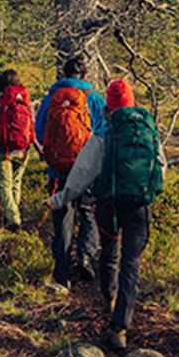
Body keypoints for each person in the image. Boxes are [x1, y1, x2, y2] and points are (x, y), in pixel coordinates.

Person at [49, 78, 165, 350]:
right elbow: (161, 165)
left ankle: (109, 299)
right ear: (132, 102)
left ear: (108, 108)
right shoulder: (149, 130)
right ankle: (120, 326)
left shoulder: (103, 136)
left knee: (110, 252)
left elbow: (80, 176)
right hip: (140, 207)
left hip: (108, 207)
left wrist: (60, 199)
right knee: (131, 262)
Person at [34, 55, 106, 288]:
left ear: (64, 75)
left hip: (58, 172)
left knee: (62, 220)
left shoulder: (51, 99)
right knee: (88, 213)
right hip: (86, 171)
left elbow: (39, 131)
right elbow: (103, 133)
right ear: (85, 76)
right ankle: (85, 257)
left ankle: (62, 274)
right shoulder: (93, 99)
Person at [0, 68, 36, 230]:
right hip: (24, 149)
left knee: (5, 185)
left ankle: (13, 220)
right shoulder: (26, 101)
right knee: (16, 183)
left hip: (3, 150)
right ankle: (12, 214)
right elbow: (34, 125)